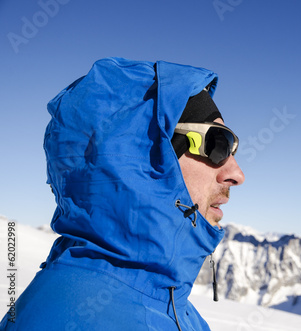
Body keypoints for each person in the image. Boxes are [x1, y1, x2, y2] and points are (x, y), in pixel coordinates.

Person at [0, 57, 245, 330]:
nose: (237, 174)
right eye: (218, 144)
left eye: (232, 148)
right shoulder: (70, 320)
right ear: (144, 157)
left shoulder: (172, 303)